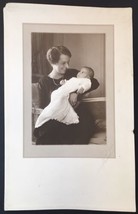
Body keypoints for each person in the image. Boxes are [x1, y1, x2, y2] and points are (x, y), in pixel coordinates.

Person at [34, 46, 99, 145]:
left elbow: (93, 82)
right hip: (58, 117)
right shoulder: (44, 82)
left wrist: (76, 93)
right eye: (63, 63)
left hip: (78, 115)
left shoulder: (72, 73)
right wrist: (65, 97)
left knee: (81, 129)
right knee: (47, 137)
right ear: (53, 62)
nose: (67, 66)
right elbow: (43, 106)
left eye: (68, 62)